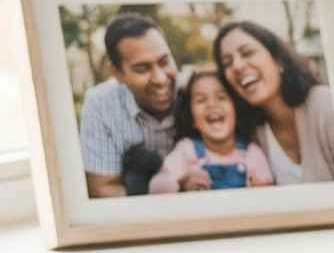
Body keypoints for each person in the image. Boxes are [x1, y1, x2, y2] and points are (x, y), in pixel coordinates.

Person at [215, 20, 334, 184]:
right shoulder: (253, 136)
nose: (238, 66)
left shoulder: (325, 105)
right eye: (227, 63)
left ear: (279, 61)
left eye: (247, 53)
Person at [79, 11, 181, 198]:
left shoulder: (195, 90)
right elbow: (102, 190)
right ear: (117, 74)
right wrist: (172, 193)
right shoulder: (100, 104)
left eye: (164, 61)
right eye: (142, 68)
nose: (160, 79)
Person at [149, 68, 273, 193]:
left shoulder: (251, 153)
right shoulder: (187, 151)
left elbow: (270, 193)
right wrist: (181, 183)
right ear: (191, 118)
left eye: (221, 97)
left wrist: (261, 188)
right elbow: (155, 187)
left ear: (236, 109)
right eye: (201, 100)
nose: (212, 105)